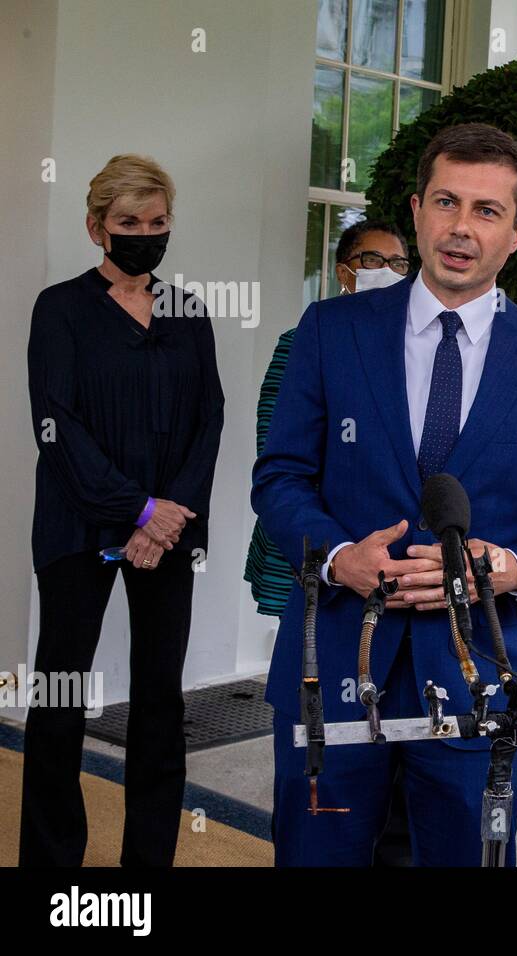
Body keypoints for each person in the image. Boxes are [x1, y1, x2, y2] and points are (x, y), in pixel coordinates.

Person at [252, 122, 517, 866]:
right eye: (447, 202)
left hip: (481, 674)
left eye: (487, 211)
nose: (462, 228)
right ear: (419, 208)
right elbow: (279, 477)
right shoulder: (330, 330)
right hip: (331, 660)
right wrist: (335, 557)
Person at [22, 154, 225, 866]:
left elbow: (210, 420)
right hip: (80, 528)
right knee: (59, 702)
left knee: (160, 705)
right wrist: (139, 509)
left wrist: (169, 518)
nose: (145, 233)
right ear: (96, 227)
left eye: (158, 221)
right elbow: (58, 426)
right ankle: (52, 863)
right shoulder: (61, 310)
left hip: (169, 535)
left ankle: (146, 868)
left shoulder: (187, 312)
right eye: (129, 222)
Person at [243, 220, 410, 618]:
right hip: (314, 535)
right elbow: (276, 448)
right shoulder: (305, 340)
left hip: (387, 548)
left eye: (399, 263)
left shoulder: (413, 350)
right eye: (372, 259)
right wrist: (336, 545)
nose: (386, 270)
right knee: (307, 656)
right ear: (343, 272)